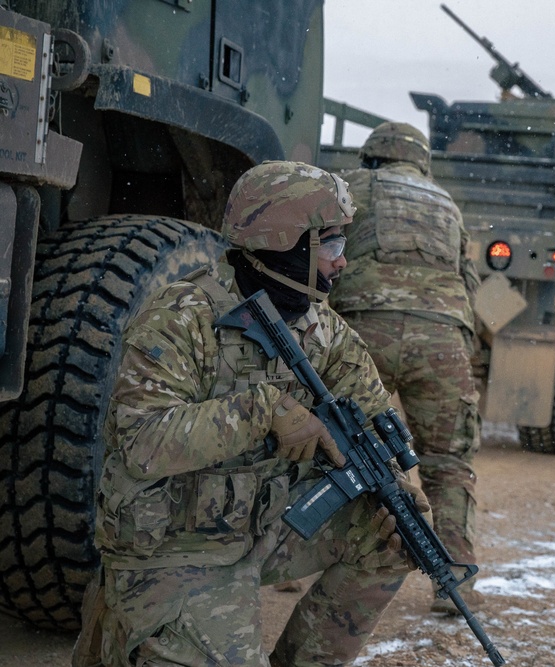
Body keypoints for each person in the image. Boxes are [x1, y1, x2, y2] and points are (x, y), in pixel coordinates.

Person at [83, 161, 425, 666]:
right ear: (287, 241)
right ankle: (127, 615)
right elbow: (142, 440)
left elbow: (372, 409)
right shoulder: (183, 315)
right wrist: (264, 411)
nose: (343, 262)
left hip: (263, 524)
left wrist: (404, 484)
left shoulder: (320, 325)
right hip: (178, 542)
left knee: (393, 537)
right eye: (330, 245)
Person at [329, 122, 484, 614]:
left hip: (362, 326)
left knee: (334, 445)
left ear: (372, 156)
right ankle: (456, 581)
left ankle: (304, 563)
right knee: (448, 459)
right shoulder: (446, 202)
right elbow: (469, 279)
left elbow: (319, 252)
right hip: (441, 336)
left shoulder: (351, 185)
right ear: (421, 161)